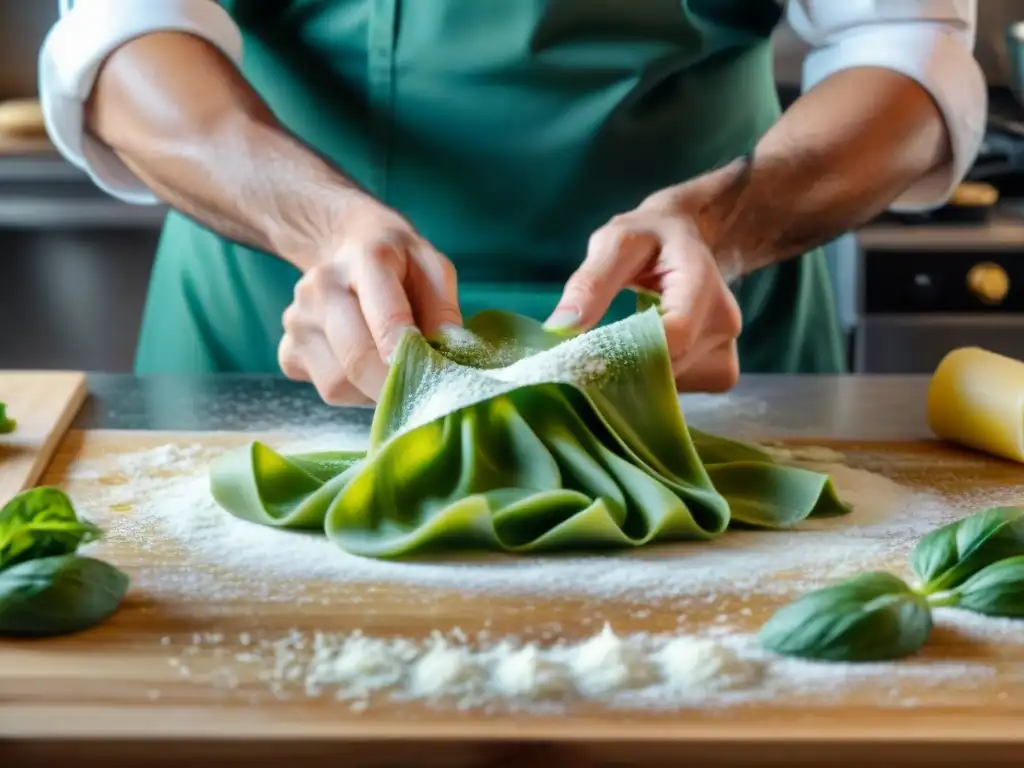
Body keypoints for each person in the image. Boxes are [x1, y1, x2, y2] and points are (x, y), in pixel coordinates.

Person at [40, 1, 985, 404]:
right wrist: (320, 221)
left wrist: (725, 225)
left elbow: (903, 52)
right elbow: (126, 36)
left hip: (701, 341)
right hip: (281, 325)